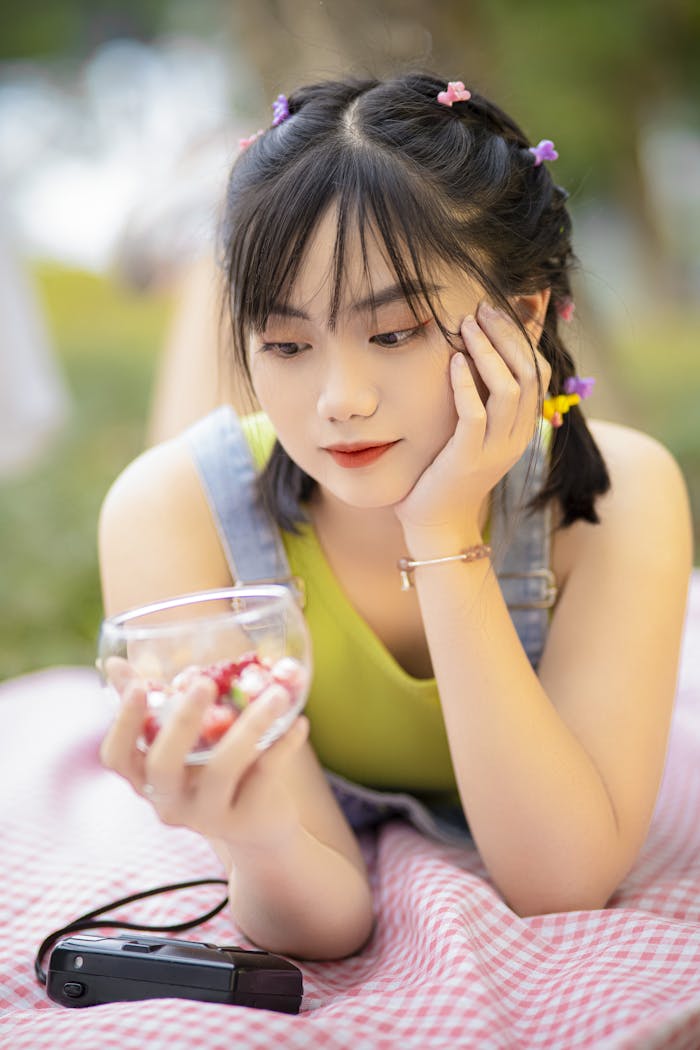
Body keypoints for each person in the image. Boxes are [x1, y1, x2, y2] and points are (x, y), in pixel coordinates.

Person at [98, 72, 692, 961]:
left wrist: (443, 528)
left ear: (523, 315)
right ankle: (204, 266)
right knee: (195, 461)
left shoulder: (616, 494)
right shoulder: (167, 513)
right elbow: (327, 919)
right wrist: (259, 840)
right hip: (231, 500)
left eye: (394, 332)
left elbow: (560, 882)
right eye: (287, 344)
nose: (341, 399)